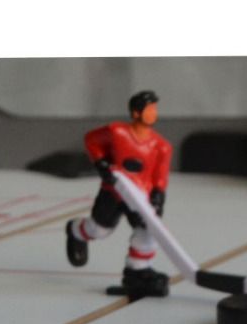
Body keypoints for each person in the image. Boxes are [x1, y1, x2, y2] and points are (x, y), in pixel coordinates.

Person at [64, 90, 174, 298]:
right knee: (99, 230)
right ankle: (75, 231)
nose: (153, 113)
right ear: (136, 113)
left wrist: (158, 197)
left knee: (149, 231)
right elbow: (91, 140)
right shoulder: (117, 132)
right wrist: (101, 163)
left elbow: (160, 177)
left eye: (154, 109)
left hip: (140, 199)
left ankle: (137, 271)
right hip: (114, 193)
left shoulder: (162, 147)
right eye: (149, 109)